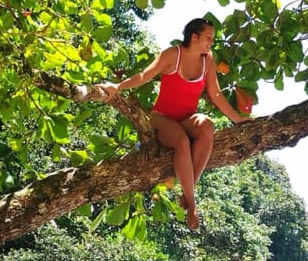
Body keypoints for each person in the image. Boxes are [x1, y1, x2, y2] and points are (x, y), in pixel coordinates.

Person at [99, 18, 249, 230]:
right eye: (208, 38)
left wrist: (238, 120)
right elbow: (145, 75)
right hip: (162, 118)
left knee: (207, 126)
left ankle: (188, 191)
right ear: (194, 37)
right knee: (181, 142)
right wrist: (118, 86)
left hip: (188, 119)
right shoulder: (173, 55)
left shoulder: (208, 59)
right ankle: (192, 204)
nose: (211, 43)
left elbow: (215, 94)